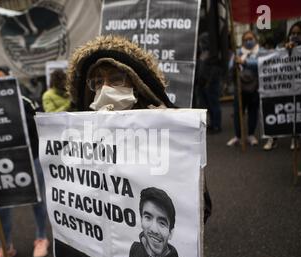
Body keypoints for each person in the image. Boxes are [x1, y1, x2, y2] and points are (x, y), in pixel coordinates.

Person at [66, 35, 212, 222]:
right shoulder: (80, 134)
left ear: (135, 84)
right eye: (97, 83)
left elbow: (199, 207)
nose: (105, 88)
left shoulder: (167, 126)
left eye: (116, 79)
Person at [0, 65, 50, 257]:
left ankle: (41, 237)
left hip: (30, 157)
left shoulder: (24, 100)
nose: (2, 82)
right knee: (2, 205)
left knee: (37, 199)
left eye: (5, 78)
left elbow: (40, 124)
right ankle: (5, 246)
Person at [127, 187, 197, 257]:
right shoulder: (134, 250)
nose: (154, 229)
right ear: (141, 220)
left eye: (162, 223)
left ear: (170, 233)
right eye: (148, 217)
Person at [263, 21, 301, 151]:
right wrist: (286, 51)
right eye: (293, 33)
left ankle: (295, 138)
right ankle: (273, 138)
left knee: (296, 112)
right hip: (283, 86)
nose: (295, 36)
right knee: (278, 111)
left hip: (300, 86)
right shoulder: (282, 47)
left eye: (299, 33)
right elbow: (272, 61)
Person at [226, 31, 263, 147]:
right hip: (240, 87)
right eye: (246, 39)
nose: (248, 41)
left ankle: (251, 135)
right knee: (238, 112)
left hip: (255, 87)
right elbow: (230, 66)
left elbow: (261, 64)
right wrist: (235, 63)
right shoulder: (238, 52)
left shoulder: (260, 52)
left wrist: (245, 62)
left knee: (253, 111)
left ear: (255, 39)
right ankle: (238, 136)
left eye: (250, 39)